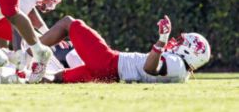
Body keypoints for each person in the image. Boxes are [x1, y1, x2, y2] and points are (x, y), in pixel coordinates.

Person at [38, 15, 210, 84]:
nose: (177, 43)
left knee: (69, 23)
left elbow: (150, 68)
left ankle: (28, 52)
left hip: (109, 63)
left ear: (191, 52)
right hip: (110, 75)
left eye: (182, 42)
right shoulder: (180, 72)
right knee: (57, 78)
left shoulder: (177, 64)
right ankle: (22, 76)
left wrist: (162, 40)